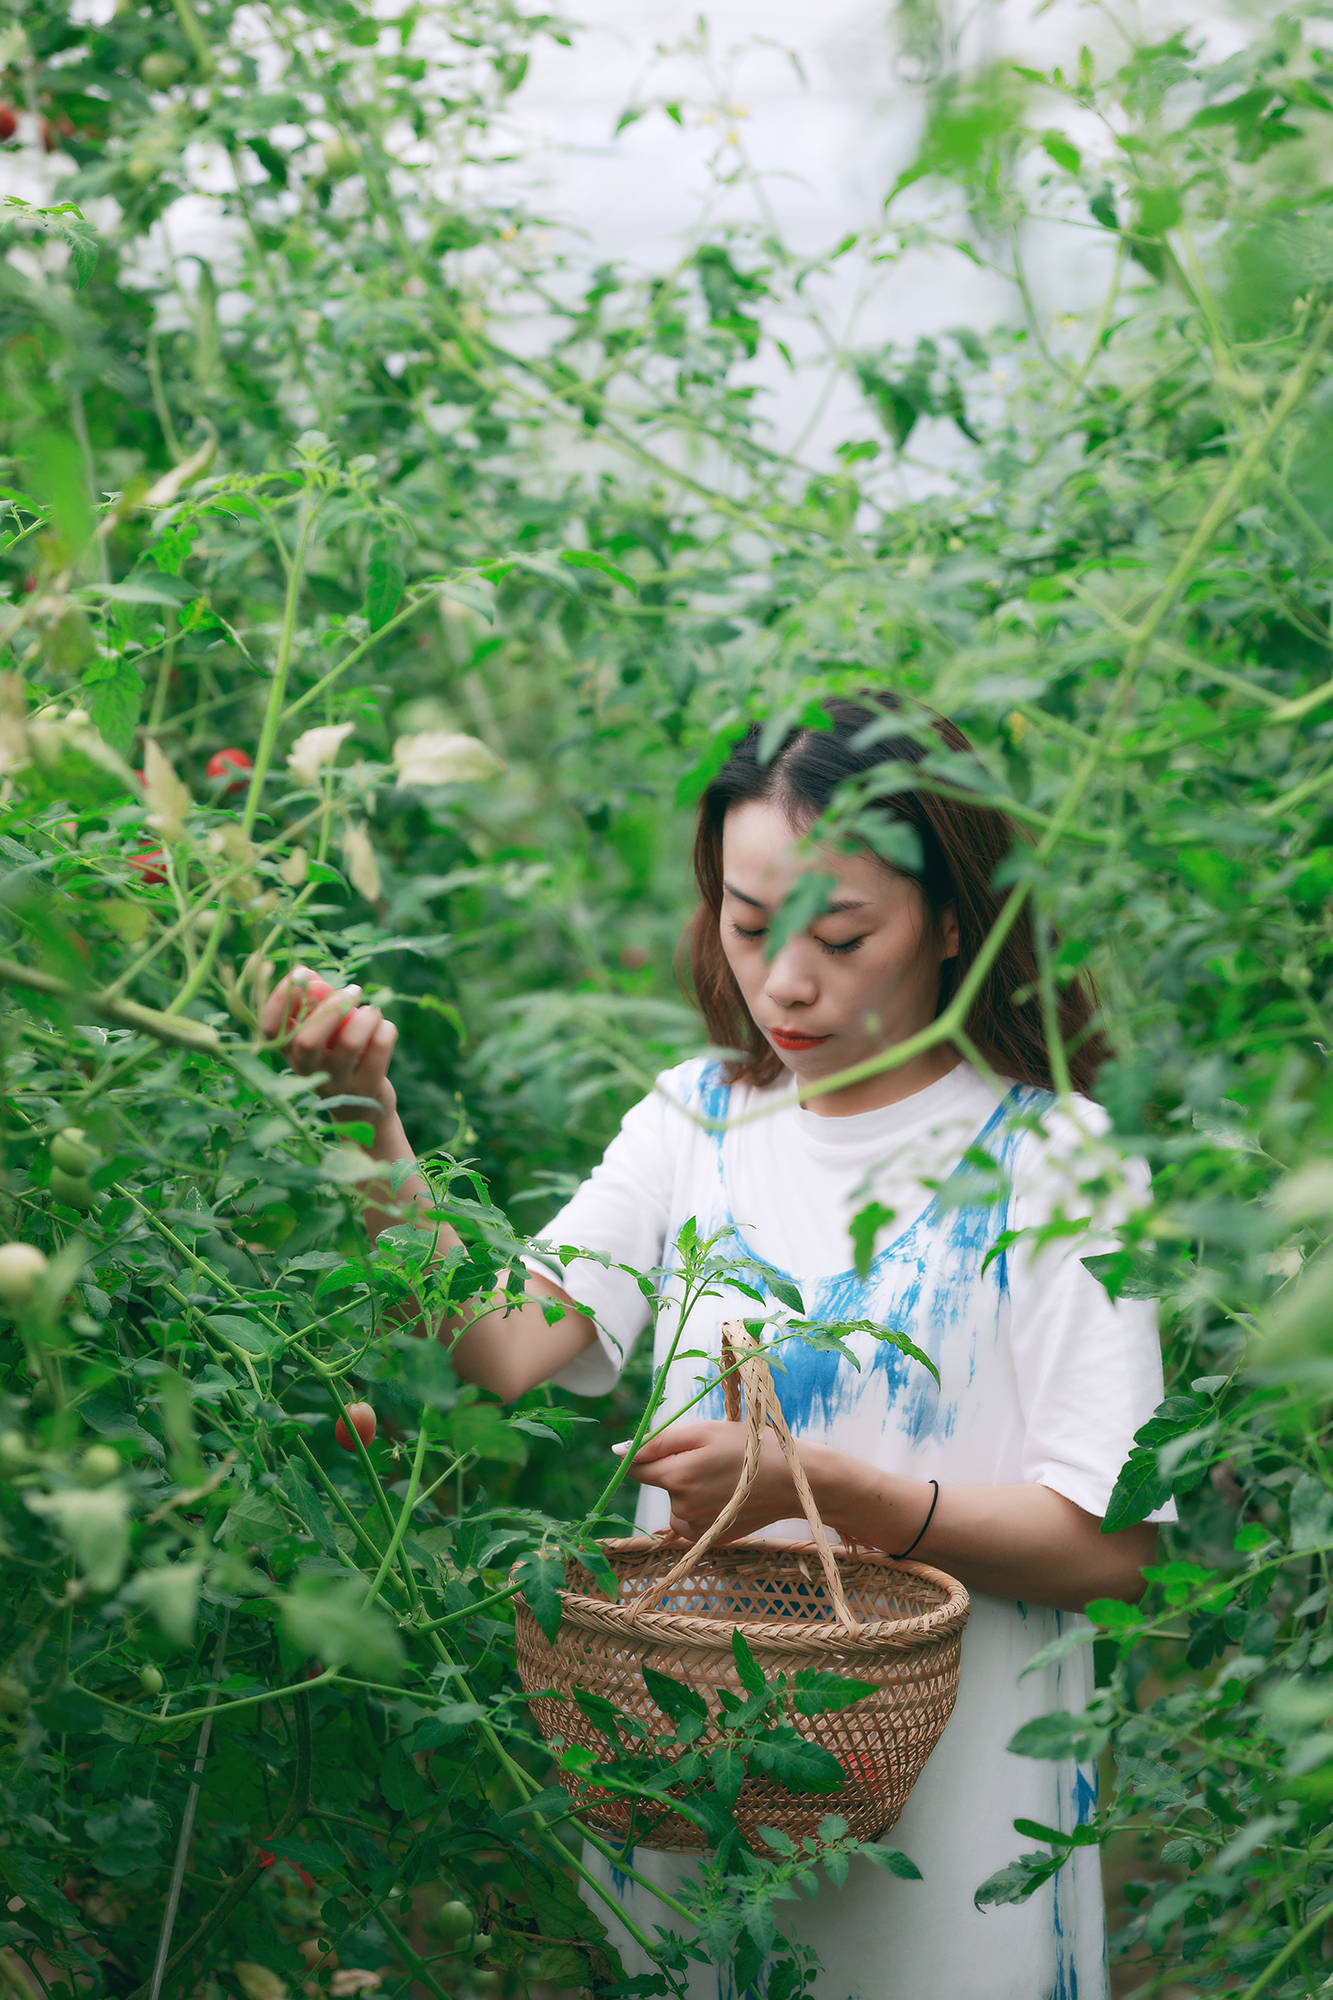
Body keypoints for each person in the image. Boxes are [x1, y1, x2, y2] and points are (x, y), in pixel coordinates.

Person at [266, 692, 1175, 2000]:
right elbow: (500, 1346)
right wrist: (366, 1129)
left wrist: (833, 1495)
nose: (786, 981)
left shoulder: (1053, 1161)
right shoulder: (696, 1122)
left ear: (954, 919)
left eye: (840, 935)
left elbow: (1115, 1552)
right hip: (697, 1819)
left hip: (956, 1845)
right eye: (749, 926)